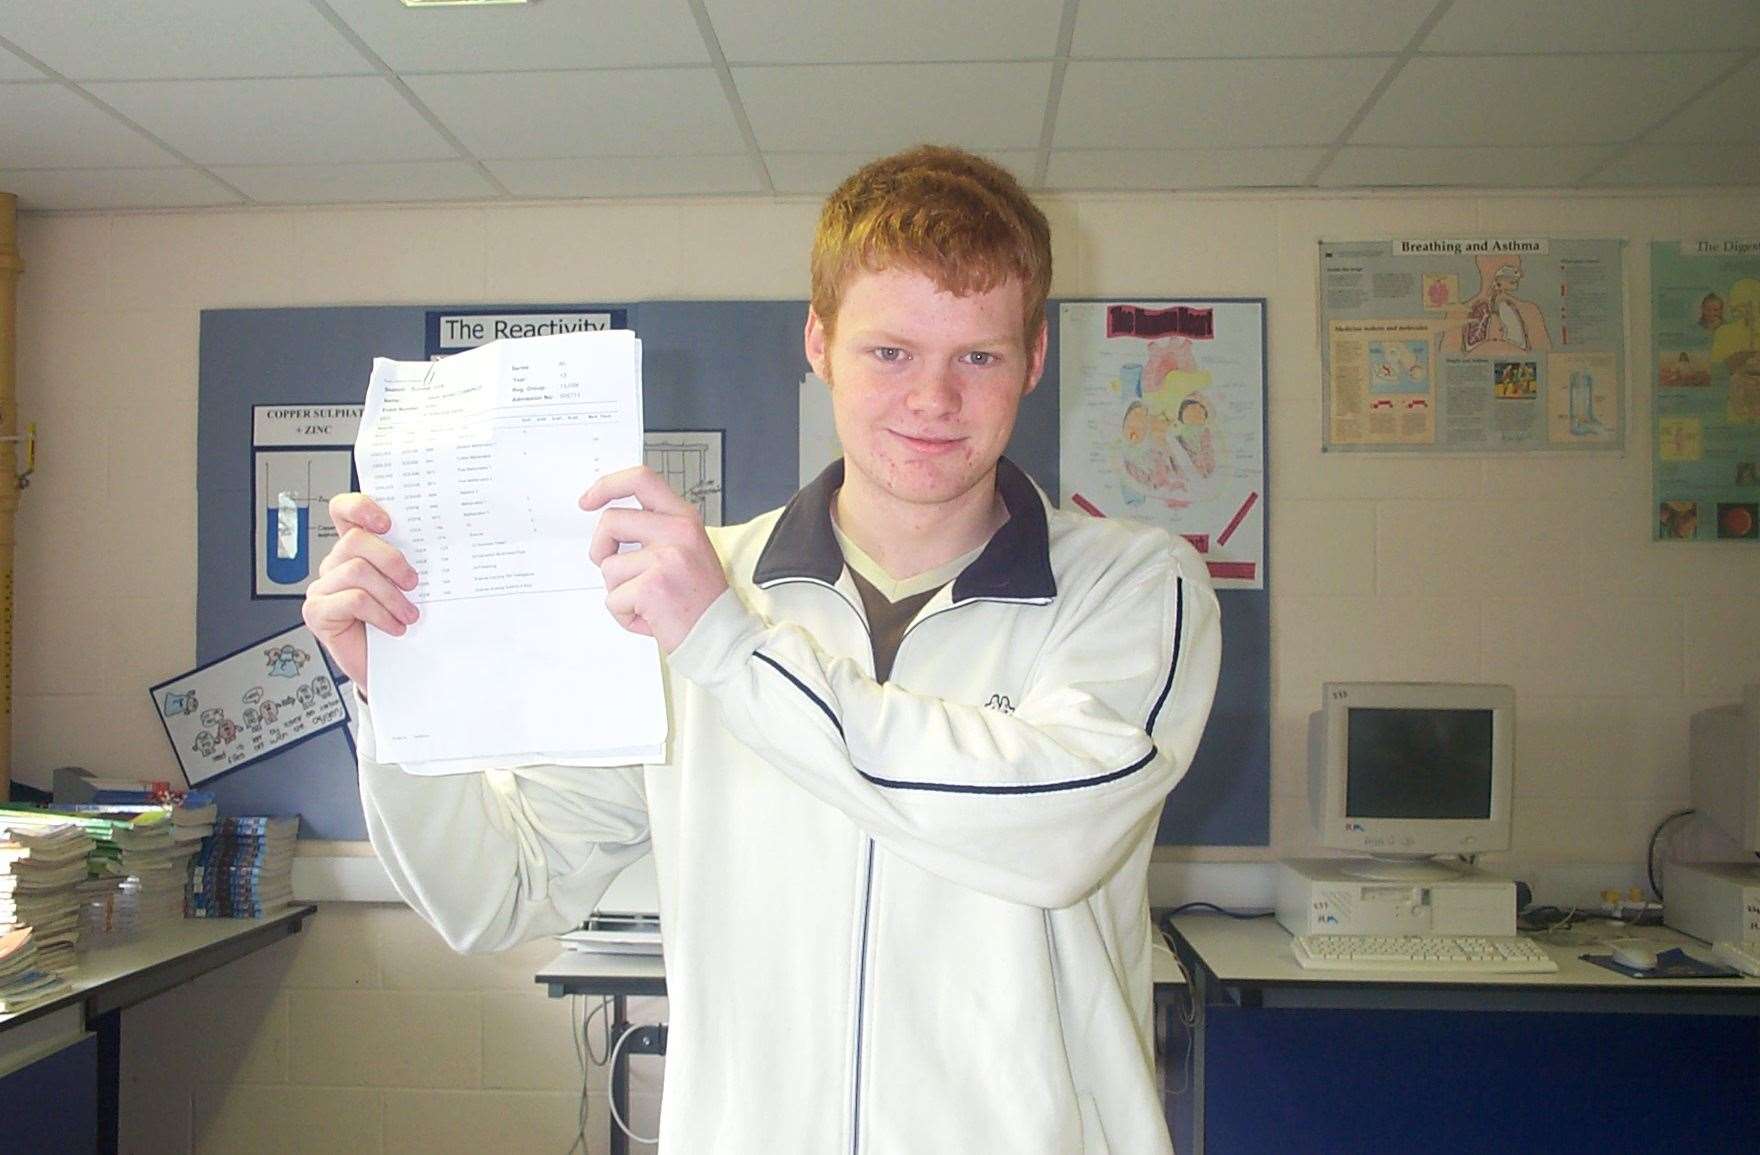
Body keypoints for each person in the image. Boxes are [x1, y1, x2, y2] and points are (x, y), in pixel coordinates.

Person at [303, 144, 1221, 1154]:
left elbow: (1058, 836)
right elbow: (495, 892)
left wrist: (730, 652)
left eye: (978, 356)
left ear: (1034, 361)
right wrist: (396, 690)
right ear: (818, 344)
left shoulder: (1133, 586)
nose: (931, 399)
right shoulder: (694, 601)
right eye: (889, 352)